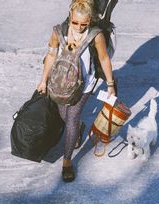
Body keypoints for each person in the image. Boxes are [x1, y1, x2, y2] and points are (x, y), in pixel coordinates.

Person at [36, 0, 116, 182]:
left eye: (84, 24)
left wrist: (110, 85)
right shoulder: (58, 31)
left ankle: (67, 162)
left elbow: (104, 60)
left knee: (71, 118)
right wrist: (43, 80)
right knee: (64, 114)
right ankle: (78, 128)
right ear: (70, 16)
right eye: (76, 23)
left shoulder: (95, 35)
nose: (79, 28)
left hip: (85, 84)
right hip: (61, 83)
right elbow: (50, 54)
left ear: (90, 21)